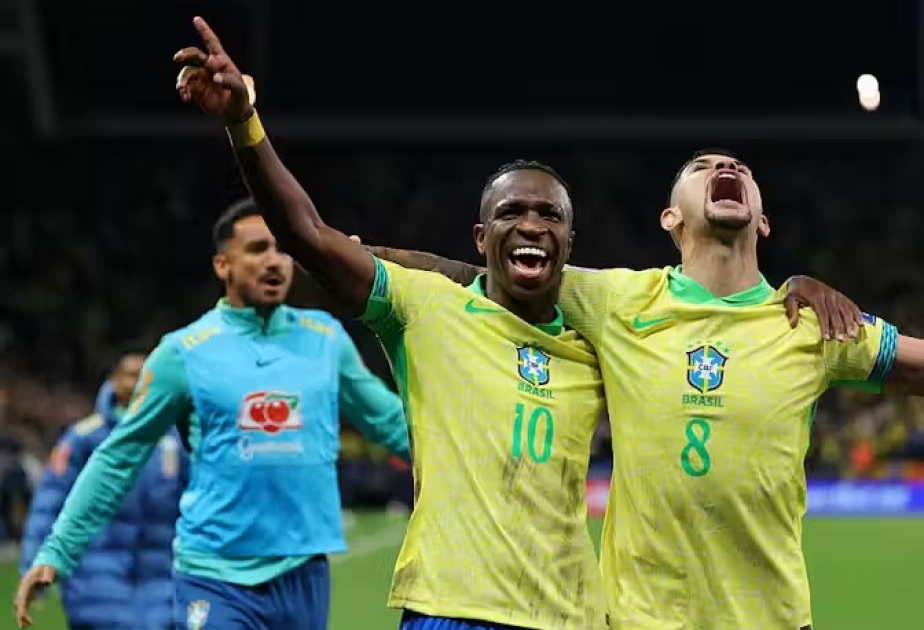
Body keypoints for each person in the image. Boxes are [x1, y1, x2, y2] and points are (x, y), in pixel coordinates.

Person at [166, 19, 863, 630]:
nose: (531, 225)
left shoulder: (597, 338)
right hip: (450, 609)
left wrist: (787, 291)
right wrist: (244, 125)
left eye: (549, 216)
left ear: (569, 244)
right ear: (481, 238)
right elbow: (308, 236)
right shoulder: (424, 307)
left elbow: (707, 328)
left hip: (569, 615)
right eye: (510, 214)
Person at [355, 149, 924, 629]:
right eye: (702, 166)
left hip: (771, 619)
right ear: (671, 219)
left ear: (763, 221)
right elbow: (487, 272)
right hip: (641, 621)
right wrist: (361, 258)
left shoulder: (812, 323)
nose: (726, 167)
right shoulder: (616, 301)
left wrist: (803, 282)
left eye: (740, 168)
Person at [14, 198, 410, 630]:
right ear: (223, 265)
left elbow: (390, 422)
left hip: (304, 572)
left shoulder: (326, 340)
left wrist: (465, 459)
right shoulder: (183, 353)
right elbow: (118, 457)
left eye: (282, 249)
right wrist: (57, 550)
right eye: (257, 249)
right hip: (215, 576)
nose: (274, 261)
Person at [20, 353, 187, 630]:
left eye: (145, 375)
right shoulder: (83, 438)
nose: (137, 383)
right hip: (95, 577)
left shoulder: (175, 440)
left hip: (161, 579)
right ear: (114, 381)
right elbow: (49, 502)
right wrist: (34, 564)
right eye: (130, 375)